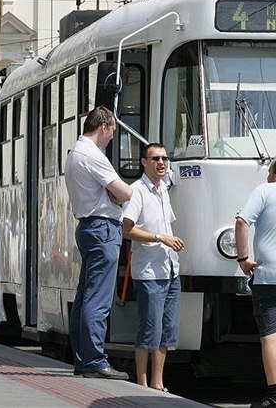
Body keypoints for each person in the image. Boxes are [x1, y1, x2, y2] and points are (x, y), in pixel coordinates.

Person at [64, 106, 132, 380]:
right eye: (113, 131)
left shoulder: (74, 154)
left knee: (85, 296)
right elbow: (125, 192)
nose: (112, 137)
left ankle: (82, 359)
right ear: (103, 127)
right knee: (98, 298)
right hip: (103, 228)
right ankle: (94, 360)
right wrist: (117, 194)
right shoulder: (93, 155)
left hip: (89, 227)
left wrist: (111, 193)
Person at [235, 153, 276, 408]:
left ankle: (275, 398)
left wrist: (243, 259)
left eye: (269, 170)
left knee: (271, 337)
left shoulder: (265, 190)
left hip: (271, 276)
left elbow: (242, 222)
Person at [122, 143, 184, 392]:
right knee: (150, 327)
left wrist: (169, 240)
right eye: (156, 158)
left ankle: (158, 381)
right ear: (143, 162)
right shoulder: (137, 191)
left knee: (168, 330)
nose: (162, 163)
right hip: (148, 271)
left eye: (165, 159)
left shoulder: (163, 190)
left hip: (170, 269)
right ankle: (141, 382)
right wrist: (160, 238)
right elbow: (127, 230)